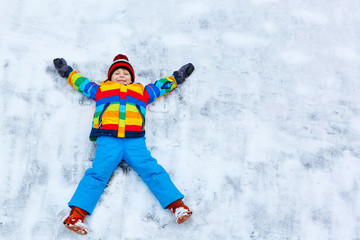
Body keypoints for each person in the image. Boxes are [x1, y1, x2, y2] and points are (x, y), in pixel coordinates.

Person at [53, 54, 194, 235]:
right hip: (108, 139)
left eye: (125, 73)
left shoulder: (142, 92)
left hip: (134, 141)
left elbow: (161, 86)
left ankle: (178, 206)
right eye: (117, 73)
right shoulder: (101, 89)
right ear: (110, 76)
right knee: (97, 174)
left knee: (152, 170)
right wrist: (66, 72)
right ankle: (75, 216)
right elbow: (81, 82)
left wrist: (178, 76)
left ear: (132, 78)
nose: (121, 76)